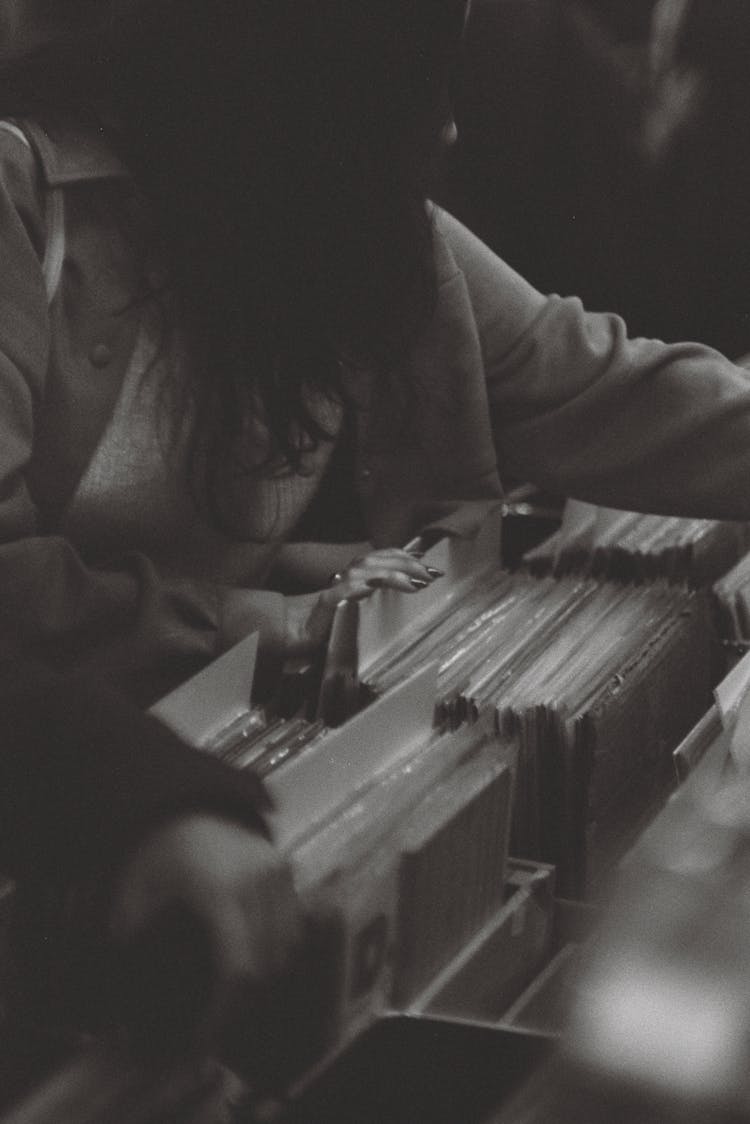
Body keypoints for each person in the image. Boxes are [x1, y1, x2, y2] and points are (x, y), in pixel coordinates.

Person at [1, 0, 750, 707]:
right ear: (304, 78)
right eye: (416, 80)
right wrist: (272, 622)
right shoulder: (27, 201)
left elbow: (600, 386)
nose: (451, 129)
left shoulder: (354, 225)